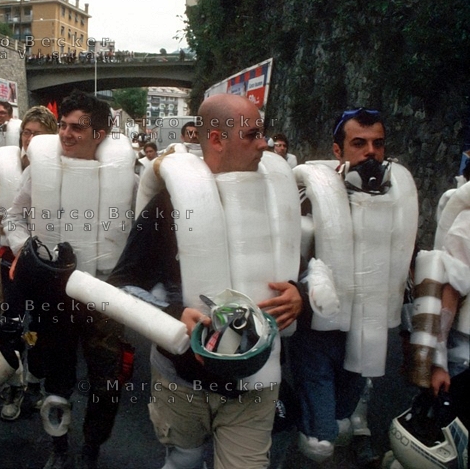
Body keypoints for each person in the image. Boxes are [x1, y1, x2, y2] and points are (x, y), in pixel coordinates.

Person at [107, 93, 304, 469]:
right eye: (252, 135)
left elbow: (309, 265)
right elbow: (123, 285)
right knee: (183, 461)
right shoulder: (168, 205)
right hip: (182, 378)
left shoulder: (279, 197)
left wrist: (301, 294)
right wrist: (174, 314)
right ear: (216, 140)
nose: (264, 142)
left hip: (256, 381)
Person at [6, 91, 135, 469]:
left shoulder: (126, 177)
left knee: (106, 381)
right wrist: (24, 253)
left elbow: (143, 232)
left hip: (103, 295)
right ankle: (58, 445)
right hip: (54, 292)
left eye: (77, 127)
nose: (65, 133)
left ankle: (92, 446)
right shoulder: (40, 168)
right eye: (62, 125)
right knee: (57, 378)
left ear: (101, 132)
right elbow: (13, 218)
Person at [290, 108, 417, 466]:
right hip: (317, 329)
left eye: (378, 143)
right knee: (321, 429)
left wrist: (411, 328)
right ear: (338, 150)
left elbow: (406, 260)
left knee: (343, 412)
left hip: (369, 324)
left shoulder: (397, 200)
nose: (370, 152)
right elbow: (287, 254)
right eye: (358, 143)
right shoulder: (310, 197)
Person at [0, 106, 58, 422]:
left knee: (42, 327)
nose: (30, 139)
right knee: (11, 324)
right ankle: (14, 384)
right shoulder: (5, 164)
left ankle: (35, 381)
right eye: (26, 133)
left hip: (45, 261)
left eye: (38, 134)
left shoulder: (57, 168)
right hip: (10, 256)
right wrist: (6, 233)